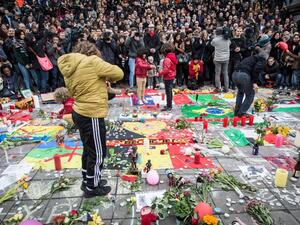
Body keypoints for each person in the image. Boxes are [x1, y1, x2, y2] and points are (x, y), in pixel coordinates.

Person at [58, 41, 123, 198]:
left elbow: (73, 93)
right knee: (98, 152)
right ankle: (92, 188)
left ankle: (88, 180)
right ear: (92, 51)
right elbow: (119, 73)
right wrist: (105, 76)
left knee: (88, 150)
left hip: (79, 112)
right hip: (91, 113)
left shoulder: (69, 69)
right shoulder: (92, 61)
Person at [232, 50, 267, 117]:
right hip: (243, 76)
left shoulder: (250, 58)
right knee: (250, 94)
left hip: (235, 74)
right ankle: (242, 112)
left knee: (240, 92)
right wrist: (254, 82)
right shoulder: (262, 59)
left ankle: (237, 111)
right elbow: (256, 70)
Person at [158, 43, 178, 111]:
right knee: (169, 91)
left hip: (168, 76)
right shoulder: (173, 56)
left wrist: (159, 74)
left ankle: (169, 106)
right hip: (172, 75)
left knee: (168, 92)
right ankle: (169, 105)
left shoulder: (167, 59)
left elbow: (166, 70)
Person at [211, 27, 231, 92]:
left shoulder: (215, 40)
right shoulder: (227, 39)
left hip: (218, 58)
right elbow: (230, 44)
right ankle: (226, 88)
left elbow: (212, 44)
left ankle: (218, 88)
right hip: (226, 58)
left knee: (217, 73)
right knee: (225, 73)